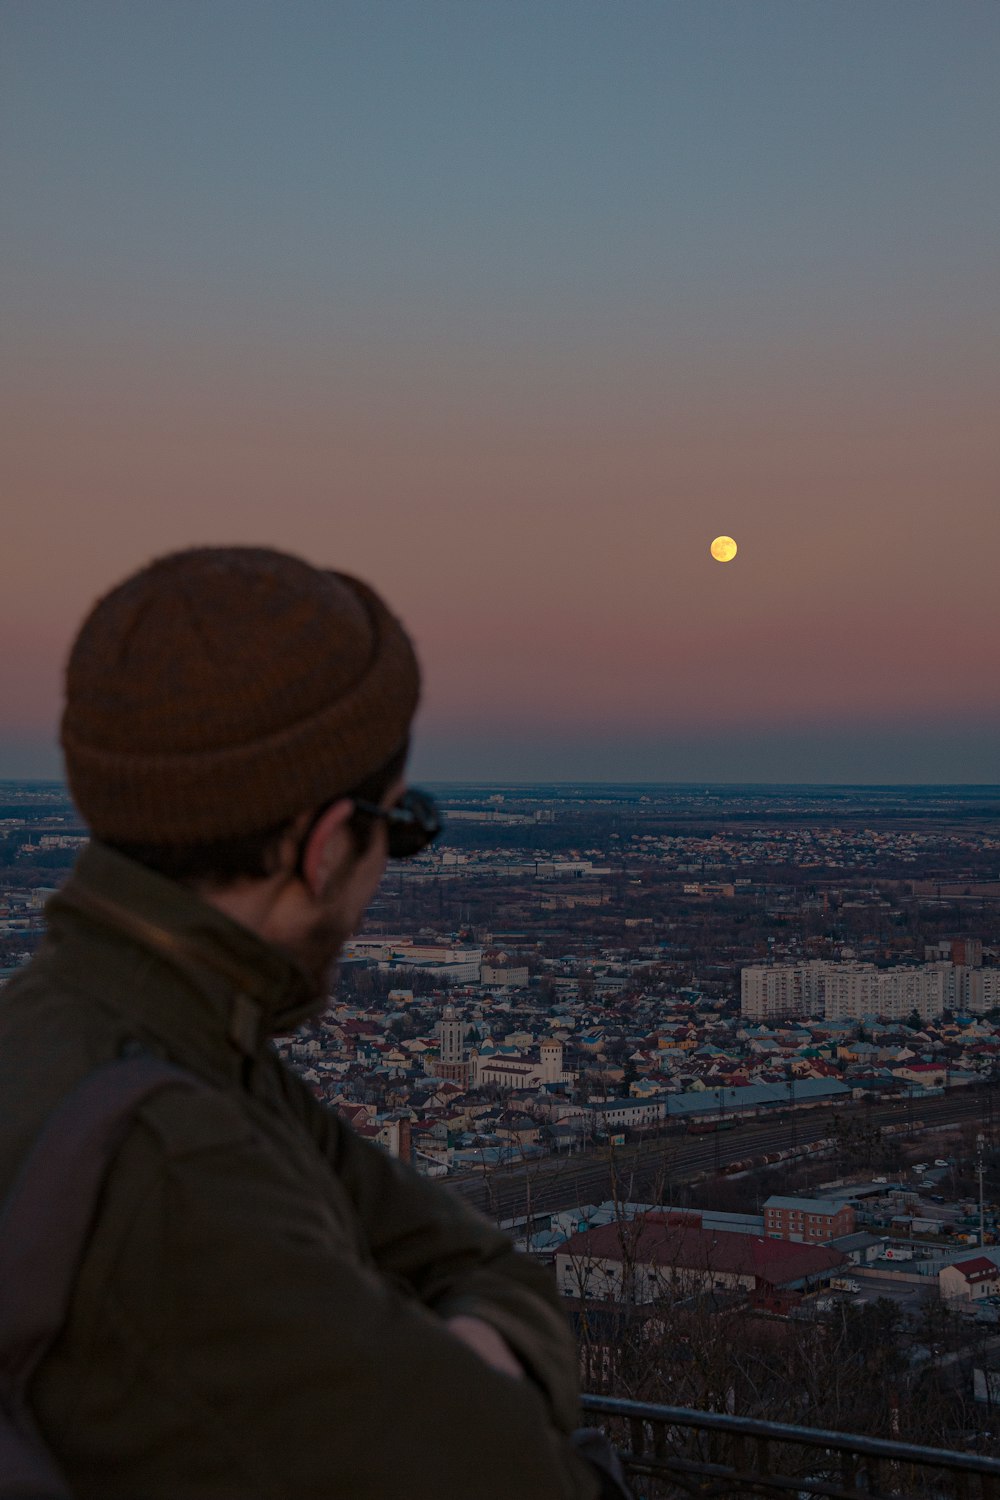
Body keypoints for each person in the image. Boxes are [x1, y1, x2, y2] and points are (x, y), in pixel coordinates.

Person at [0, 547, 612, 1499]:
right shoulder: (180, 1152)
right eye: (401, 831)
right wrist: (488, 1366)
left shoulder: (108, 1029)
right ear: (326, 846)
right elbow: (515, 1459)